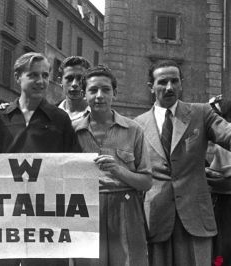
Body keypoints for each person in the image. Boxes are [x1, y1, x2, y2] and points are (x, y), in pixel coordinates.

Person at [0, 52, 79, 266]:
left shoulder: (60, 119)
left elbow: (74, 165)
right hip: (6, 218)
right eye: (33, 75)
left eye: (45, 75)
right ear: (18, 77)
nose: (41, 81)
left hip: (47, 218)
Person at [134, 59, 231, 266]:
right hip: (156, 220)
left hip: (196, 218)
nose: (169, 87)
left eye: (174, 81)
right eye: (162, 82)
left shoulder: (201, 113)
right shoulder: (137, 126)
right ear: (151, 87)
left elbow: (228, 135)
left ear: (181, 83)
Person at [72, 65, 151, 266]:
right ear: (84, 94)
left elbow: (146, 182)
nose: (99, 95)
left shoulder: (134, 130)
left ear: (114, 93)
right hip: (85, 208)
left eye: (106, 90)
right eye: (93, 90)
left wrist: (118, 170)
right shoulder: (72, 131)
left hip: (126, 207)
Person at [205, 96, 231, 266]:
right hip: (220, 201)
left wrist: (205, 174)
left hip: (224, 202)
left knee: (223, 250)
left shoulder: (223, 140)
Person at [57, 56, 91, 123]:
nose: (74, 84)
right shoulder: (48, 114)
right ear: (60, 81)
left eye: (80, 79)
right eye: (69, 79)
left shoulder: (98, 116)